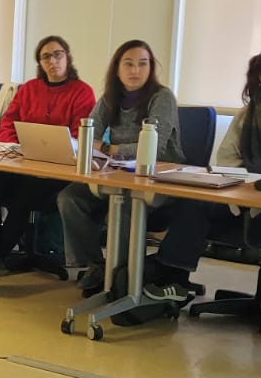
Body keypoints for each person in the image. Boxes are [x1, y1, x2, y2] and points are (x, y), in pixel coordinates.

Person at [140, 42, 261, 301]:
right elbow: (227, 159)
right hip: (247, 196)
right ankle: (175, 280)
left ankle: (163, 269)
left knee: (199, 209)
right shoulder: (248, 114)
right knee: (195, 202)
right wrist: (248, 183)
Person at [57, 39, 184, 294]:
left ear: (151, 68)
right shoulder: (109, 98)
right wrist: (96, 149)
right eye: (128, 64)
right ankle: (96, 265)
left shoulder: (163, 97)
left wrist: (107, 149)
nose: (135, 70)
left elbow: (153, 148)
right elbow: (88, 133)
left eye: (142, 64)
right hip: (116, 176)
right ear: (117, 69)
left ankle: (122, 278)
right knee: (69, 197)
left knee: (125, 204)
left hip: (158, 179)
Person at [0, 35, 97, 270]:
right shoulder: (29, 88)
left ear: (67, 57)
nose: (53, 61)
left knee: (26, 193)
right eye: (46, 57)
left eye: (58, 54)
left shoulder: (82, 92)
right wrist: (15, 146)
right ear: (40, 63)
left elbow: (79, 137)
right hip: (21, 162)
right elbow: (9, 122)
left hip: (58, 172)